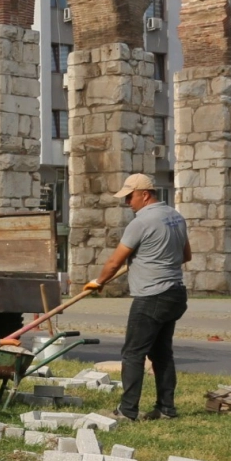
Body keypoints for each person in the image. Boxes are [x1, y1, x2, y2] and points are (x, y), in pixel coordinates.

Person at [86, 173, 190, 421]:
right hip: (175, 293)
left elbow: (114, 262)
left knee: (133, 354)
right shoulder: (176, 216)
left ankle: (127, 411)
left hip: (151, 296)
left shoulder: (141, 222)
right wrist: (151, 259)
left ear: (145, 195)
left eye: (130, 197)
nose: (127, 203)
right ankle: (166, 409)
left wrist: (98, 282)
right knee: (162, 354)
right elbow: (186, 256)